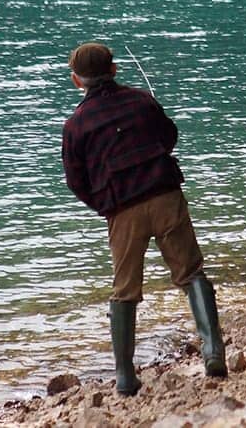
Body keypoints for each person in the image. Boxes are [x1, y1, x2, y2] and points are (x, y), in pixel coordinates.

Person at [61, 41, 227, 395]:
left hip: (123, 210)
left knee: (125, 291)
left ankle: (125, 377)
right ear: (115, 70)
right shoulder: (141, 100)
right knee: (191, 273)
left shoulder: (76, 125)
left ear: (77, 81)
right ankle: (213, 352)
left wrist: (106, 204)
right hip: (165, 195)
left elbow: (76, 181)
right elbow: (170, 137)